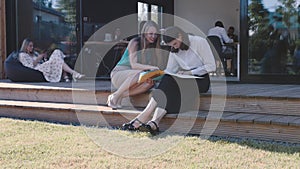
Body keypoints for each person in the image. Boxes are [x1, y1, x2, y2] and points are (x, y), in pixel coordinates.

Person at [122, 26, 216, 135]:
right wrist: (154, 75)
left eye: (175, 44)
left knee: (170, 85)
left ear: (180, 36)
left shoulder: (200, 42)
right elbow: (170, 70)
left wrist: (190, 72)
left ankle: (142, 117)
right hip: (183, 79)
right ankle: (153, 123)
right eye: (171, 46)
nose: (174, 47)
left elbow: (211, 66)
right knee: (167, 81)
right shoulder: (174, 49)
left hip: (201, 80)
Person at [107, 20, 162, 109]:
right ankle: (115, 96)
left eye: (155, 34)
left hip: (135, 79)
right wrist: (152, 67)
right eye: (150, 34)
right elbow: (134, 65)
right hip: (119, 74)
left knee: (149, 84)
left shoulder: (152, 47)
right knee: (139, 73)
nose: (153, 36)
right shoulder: (135, 42)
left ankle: (120, 95)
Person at [18, 38, 84, 82]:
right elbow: (29, 67)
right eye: (30, 46)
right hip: (37, 69)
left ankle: (68, 75)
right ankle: (71, 74)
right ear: (25, 46)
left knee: (57, 52)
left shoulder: (34, 53)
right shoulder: (23, 55)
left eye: (32, 46)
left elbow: (43, 61)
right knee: (58, 58)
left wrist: (45, 58)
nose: (32, 48)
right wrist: (38, 59)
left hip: (43, 66)